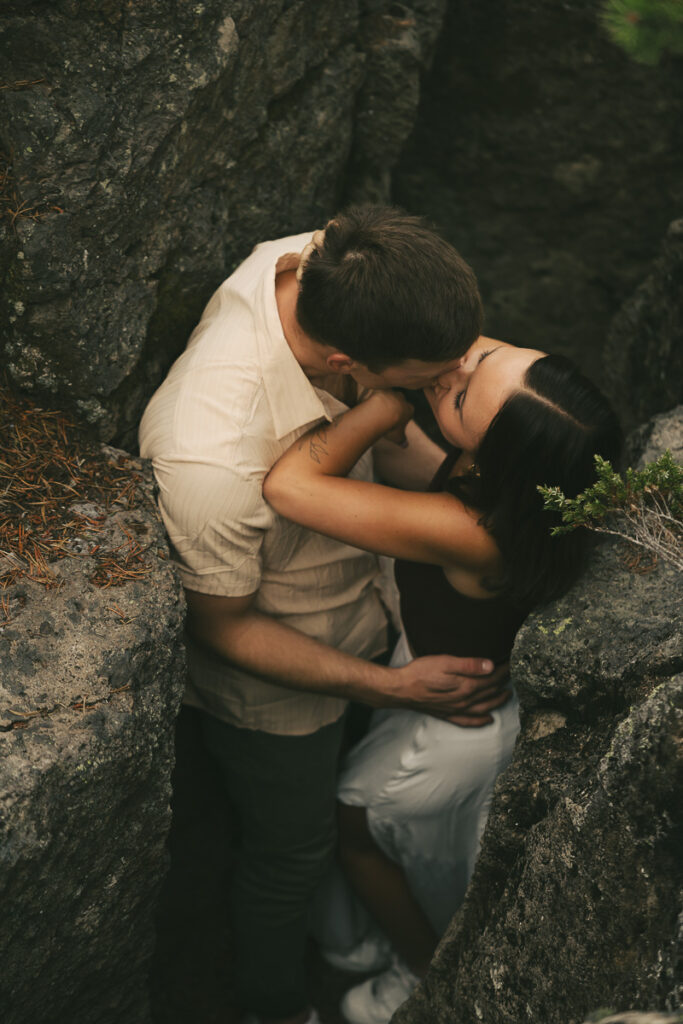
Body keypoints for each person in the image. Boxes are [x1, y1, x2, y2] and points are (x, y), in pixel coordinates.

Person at [138, 206, 512, 1024]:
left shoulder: (327, 257)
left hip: (363, 603)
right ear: (348, 362)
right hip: (279, 696)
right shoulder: (210, 457)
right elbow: (222, 627)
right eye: (428, 378)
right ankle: (276, 1006)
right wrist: (394, 690)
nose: (445, 387)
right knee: (290, 852)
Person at [263, 336, 623, 1024]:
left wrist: (381, 406)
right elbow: (415, 460)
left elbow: (289, 489)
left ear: (495, 460)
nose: (454, 370)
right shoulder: (512, 492)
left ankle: (423, 973)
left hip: (456, 723)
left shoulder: (476, 530)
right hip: (447, 677)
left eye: (460, 399)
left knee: (359, 826)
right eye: (486, 355)